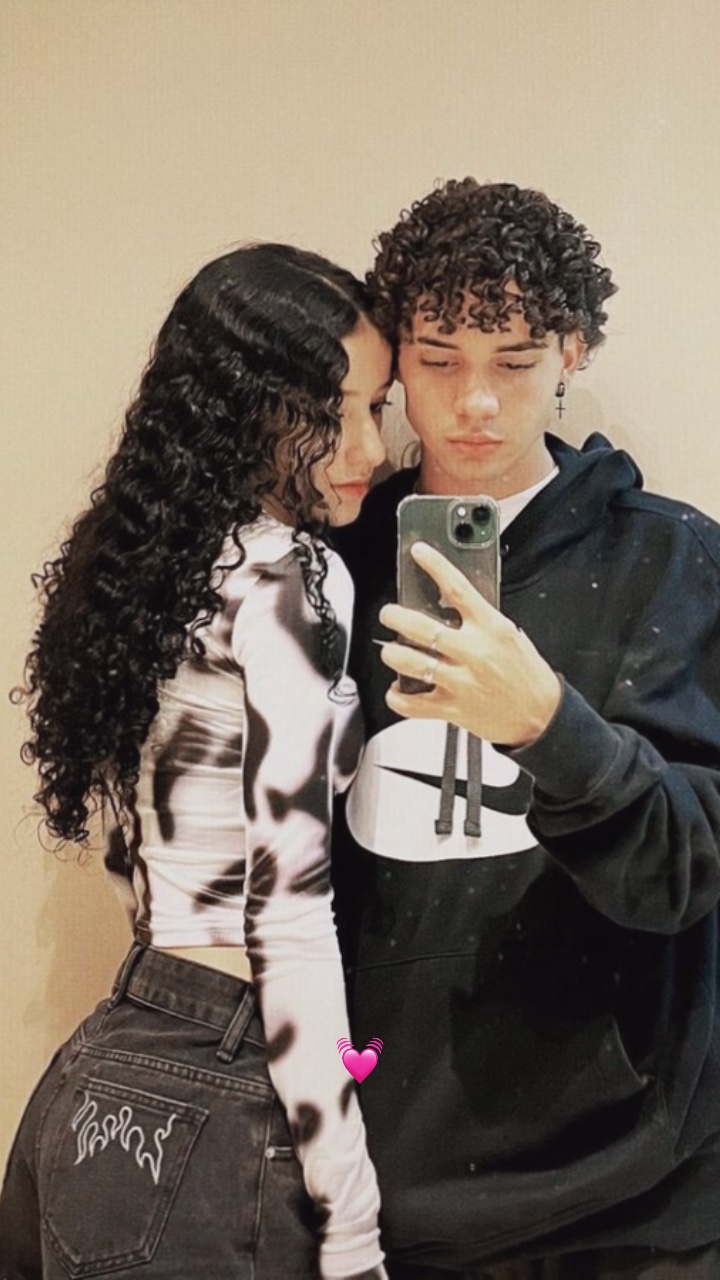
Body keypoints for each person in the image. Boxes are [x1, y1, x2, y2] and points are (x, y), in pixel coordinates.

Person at [332, 180, 720, 1279]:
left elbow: (688, 867)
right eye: (439, 358)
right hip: (384, 1197)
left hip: (635, 1204)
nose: (476, 402)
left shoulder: (672, 560)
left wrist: (548, 724)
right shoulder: (328, 571)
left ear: (572, 353)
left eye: (513, 360)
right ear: (395, 363)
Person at [0, 242, 393, 1279]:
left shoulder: (146, 556)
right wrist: (351, 1215)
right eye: (331, 413)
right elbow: (288, 913)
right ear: (248, 409)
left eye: (377, 405)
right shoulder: (293, 576)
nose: (370, 445)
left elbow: (137, 853)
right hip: (224, 1088)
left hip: (105, 1067)